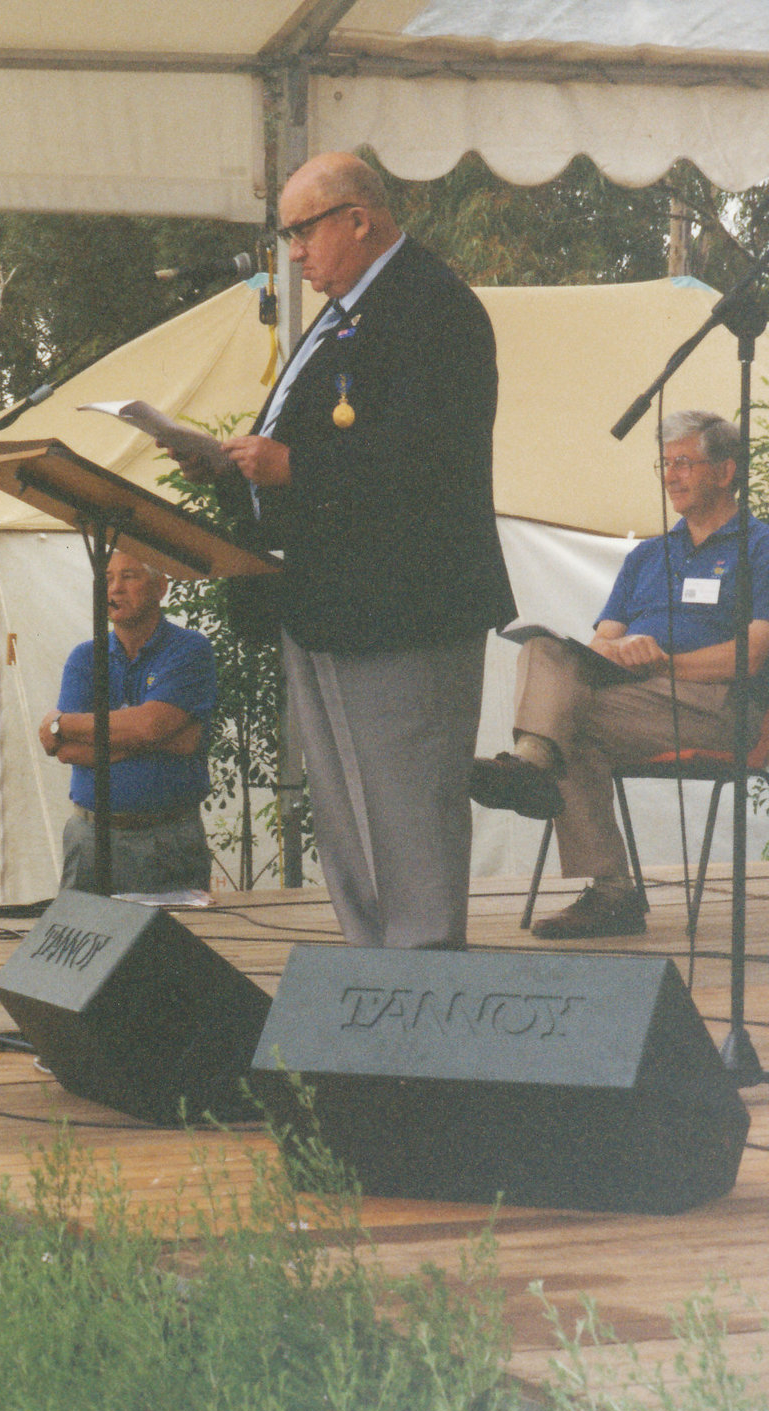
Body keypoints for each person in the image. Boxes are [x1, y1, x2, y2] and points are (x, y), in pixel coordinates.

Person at [163, 151, 515, 949]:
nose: (294, 254)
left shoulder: (432, 304)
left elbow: (433, 456)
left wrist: (294, 465)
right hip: (327, 597)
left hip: (405, 603)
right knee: (348, 811)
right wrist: (234, 468)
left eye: (302, 231)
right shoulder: (346, 309)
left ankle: (421, 985)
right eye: (286, 236)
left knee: (407, 803)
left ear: (359, 218)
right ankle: (374, 977)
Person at [470, 409, 769, 939]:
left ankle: (552, 801)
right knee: (545, 650)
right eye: (665, 464)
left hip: (719, 709)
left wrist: (662, 661)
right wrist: (618, 653)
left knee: (563, 724)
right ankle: (536, 767)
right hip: (636, 699)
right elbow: (600, 643)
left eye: (685, 463)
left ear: (726, 471)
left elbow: (752, 657)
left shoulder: (768, 550)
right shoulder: (648, 556)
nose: (671, 476)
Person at [39, 551, 217, 896]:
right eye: (107, 579)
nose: (115, 589)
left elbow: (149, 727)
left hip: (168, 838)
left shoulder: (188, 650)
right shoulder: (84, 657)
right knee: (83, 944)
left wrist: (60, 722)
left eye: (129, 577)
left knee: (172, 945)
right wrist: (150, 735)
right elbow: (67, 752)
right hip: (89, 837)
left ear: (160, 587)